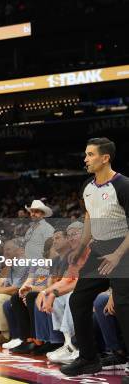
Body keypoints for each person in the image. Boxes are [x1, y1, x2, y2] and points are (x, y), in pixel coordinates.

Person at [61, 138, 129, 379]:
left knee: (123, 305)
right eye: (86, 154)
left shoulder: (123, 185)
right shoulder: (87, 186)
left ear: (105, 158)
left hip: (122, 250)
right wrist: (81, 248)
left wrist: (118, 254)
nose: (86, 159)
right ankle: (88, 359)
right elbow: (90, 216)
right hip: (99, 250)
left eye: (90, 155)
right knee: (78, 300)